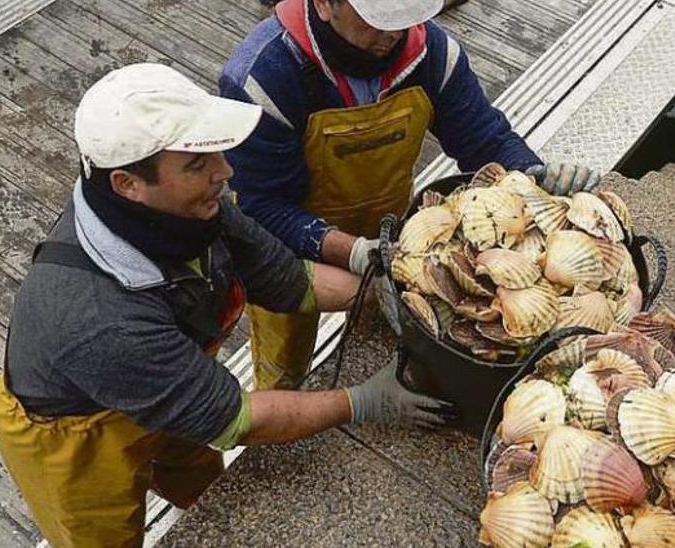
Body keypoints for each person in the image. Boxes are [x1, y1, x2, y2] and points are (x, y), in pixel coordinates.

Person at [0, 63, 451, 548]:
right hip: (77, 433)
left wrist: (392, 287)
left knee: (203, 482)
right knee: (102, 539)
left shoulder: (188, 209)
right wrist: (362, 403)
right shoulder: (98, 319)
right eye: (196, 165)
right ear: (127, 183)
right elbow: (235, 419)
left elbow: (293, 282)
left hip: (169, 371)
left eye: (214, 154)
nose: (224, 172)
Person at [221, 0, 601, 390]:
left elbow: (485, 141)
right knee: (284, 357)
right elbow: (263, 207)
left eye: (404, 17)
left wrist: (531, 179)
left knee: (397, 317)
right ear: (323, 4)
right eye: (378, 20)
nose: (393, 34)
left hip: (389, 229)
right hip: (288, 246)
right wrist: (352, 252)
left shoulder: (433, 54)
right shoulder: (262, 79)